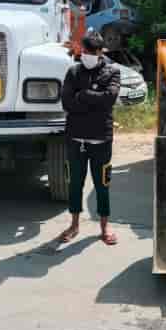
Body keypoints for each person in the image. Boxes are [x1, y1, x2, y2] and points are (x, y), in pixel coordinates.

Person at [59, 31, 121, 246]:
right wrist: (94, 100)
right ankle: (74, 224)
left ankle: (104, 226)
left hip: (101, 139)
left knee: (102, 184)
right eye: (85, 51)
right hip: (75, 138)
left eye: (92, 52)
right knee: (74, 183)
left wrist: (83, 95)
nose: (88, 55)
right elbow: (67, 102)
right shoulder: (73, 71)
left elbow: (109, 99)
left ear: (100, 52)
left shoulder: (112, 72)